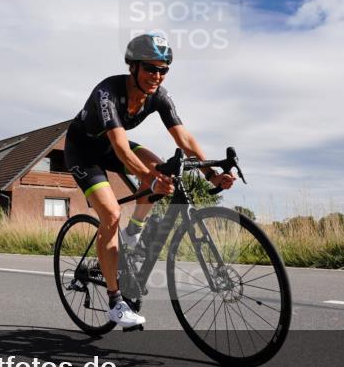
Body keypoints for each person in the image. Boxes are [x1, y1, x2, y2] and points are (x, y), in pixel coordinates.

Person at [64, 33, 235, 328]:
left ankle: (133, 234)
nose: (157, 76)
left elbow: (184, 138)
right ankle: (116, 302)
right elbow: (119, 146)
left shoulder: (159, 96)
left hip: (111, 145)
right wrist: (148, 179)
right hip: (84, 151)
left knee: (163, 170)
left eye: (163, 69)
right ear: (133, 67)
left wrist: (211, 173)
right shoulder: (108, 92)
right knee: (112, 214)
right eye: (150, 68)